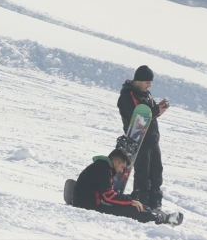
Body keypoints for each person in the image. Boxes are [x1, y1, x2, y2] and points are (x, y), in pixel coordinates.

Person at [72, 149, 183, 225]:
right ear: (115, 162)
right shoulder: (103, 170)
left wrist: (130, 198)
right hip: (89, 206)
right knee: (132, 210)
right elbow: (108, 197)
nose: (122, 171)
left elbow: (107, 193)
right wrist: (130, 202)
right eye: (122, 166)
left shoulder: (103, 167)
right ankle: (162, 221)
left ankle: (160, 216)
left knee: (135, 205)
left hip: (91, 203)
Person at [117, 65, 169, 210]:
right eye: (147, 82)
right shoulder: (128, 95)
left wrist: (158, 109)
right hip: (138, 141)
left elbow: (150, 114)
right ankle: (142, 203)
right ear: (138, 81)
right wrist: (156, 110)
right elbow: (139, 117)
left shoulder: (146, 94)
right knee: (143, 174)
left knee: (156, 172)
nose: (149, 85)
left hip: (152, 139)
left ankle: (155, 204)